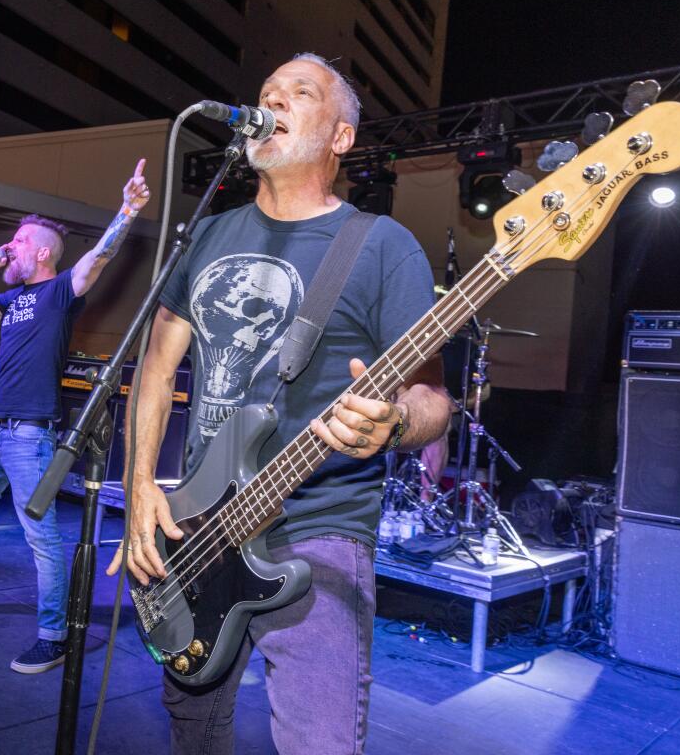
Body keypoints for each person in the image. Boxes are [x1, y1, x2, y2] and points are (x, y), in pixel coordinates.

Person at [106, 54, 452, 754]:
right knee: (193, 731)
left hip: (317, 525)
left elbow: (433, 396)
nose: (274, 101)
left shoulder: (383, 247)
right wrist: (141, 484)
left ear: (341, 138)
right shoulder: (207, 234)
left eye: (300, 93)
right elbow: (155, 367)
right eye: (267, 93)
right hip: (196, 522)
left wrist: (395, 423)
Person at [0, 159, 151, 674]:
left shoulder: (60, 293)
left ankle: (53, 634)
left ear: (41, 251)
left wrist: (127, 209)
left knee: (40, 537)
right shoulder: (13, 297)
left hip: (30, 436)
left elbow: (98, 259)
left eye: (17, 243)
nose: (10, 248)